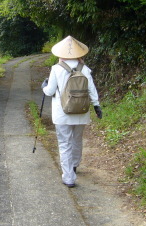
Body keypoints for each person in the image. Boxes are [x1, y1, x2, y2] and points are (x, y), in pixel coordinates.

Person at [41, 35, 102, 188]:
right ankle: (74, 165)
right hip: (81, 112)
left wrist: (44, 86)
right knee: (77, 140)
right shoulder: (85, 69)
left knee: (64, 143)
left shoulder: (56, 69)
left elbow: (49, 92)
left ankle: (69, 178)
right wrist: (96, 106)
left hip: (62, 114)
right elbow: (91, 89)